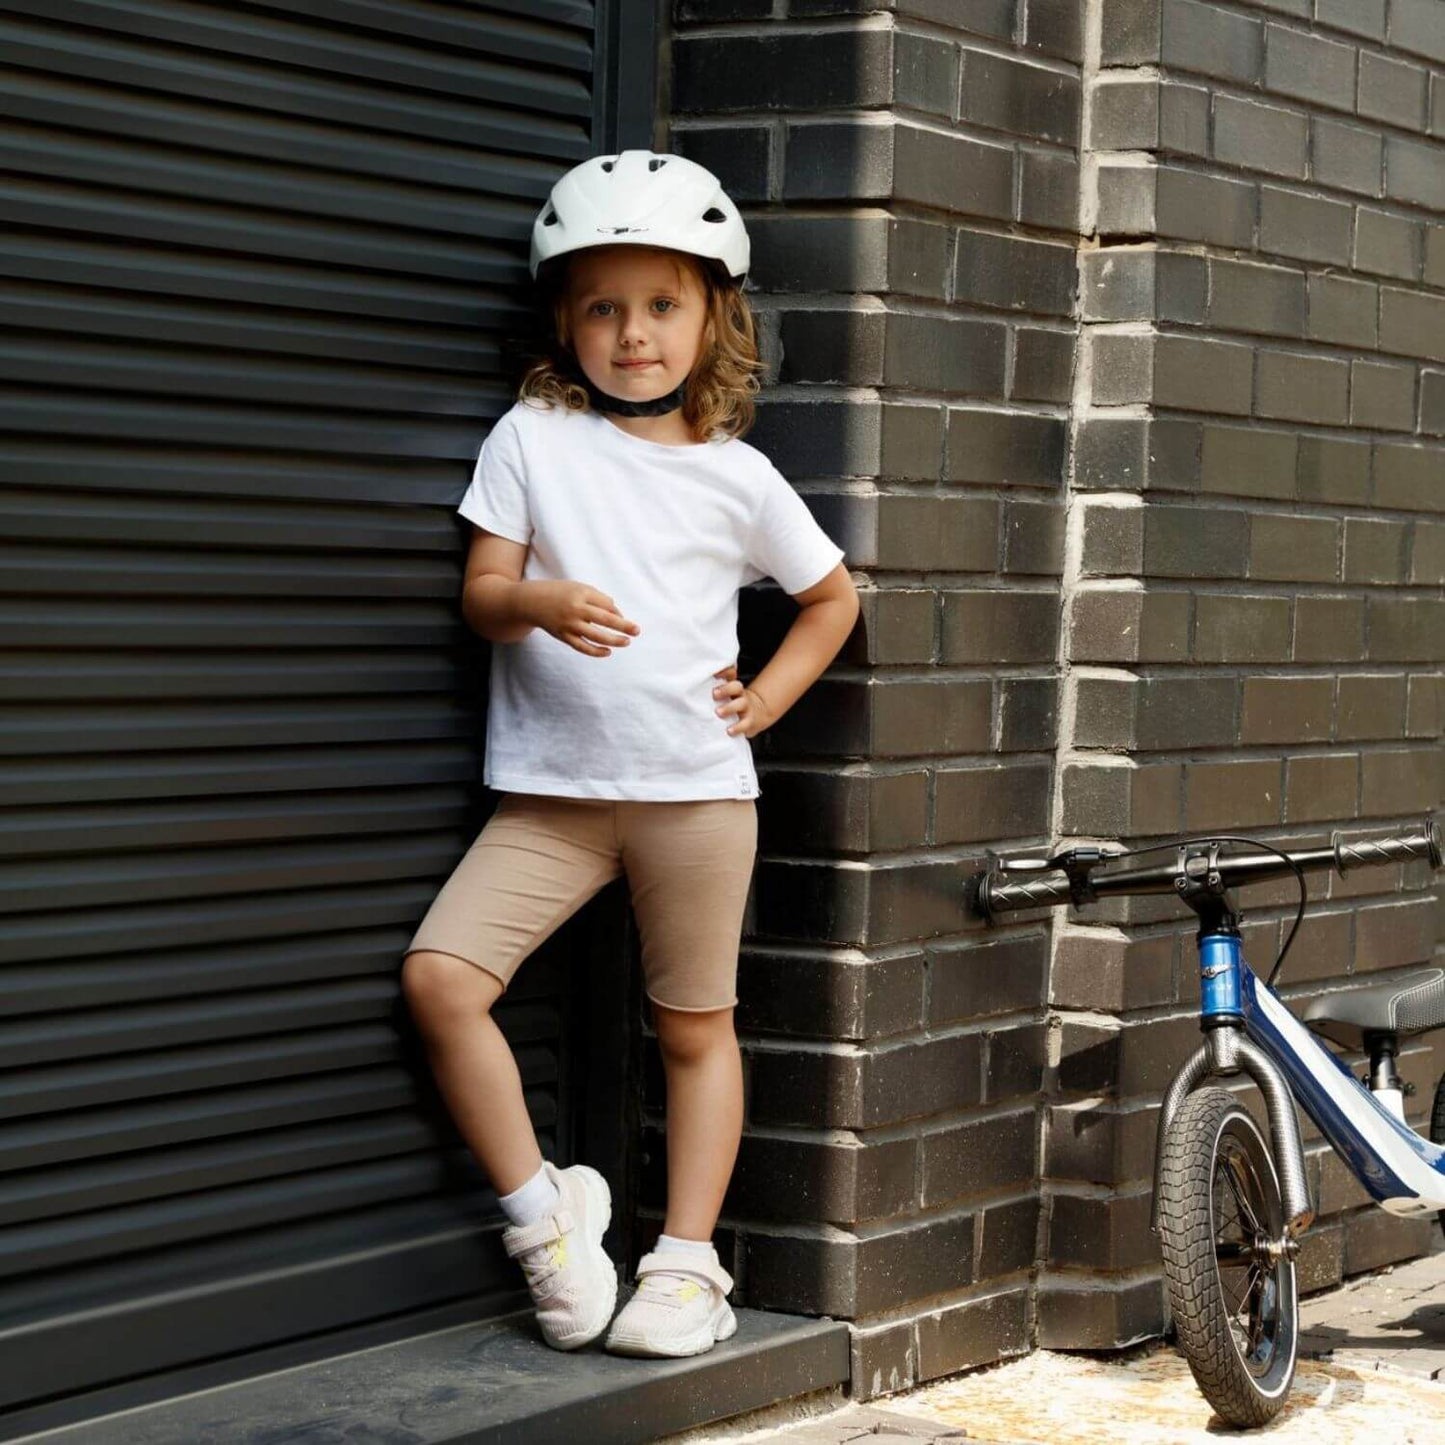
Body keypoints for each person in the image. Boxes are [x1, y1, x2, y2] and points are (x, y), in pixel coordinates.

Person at [400, 150, 859, 1359]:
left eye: (660, 304)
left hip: (694, 795)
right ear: (565, 318)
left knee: (693, 1027)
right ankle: (544, 1215)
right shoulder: (530, 438)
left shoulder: (737, 476)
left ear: (713, 314)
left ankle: (687, 1262)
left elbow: (830, 598)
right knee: (442, 981)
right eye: (601, 307)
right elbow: (481, 595)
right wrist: (540, 602)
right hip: (551, 798)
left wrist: (765, 697)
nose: (632, 333)